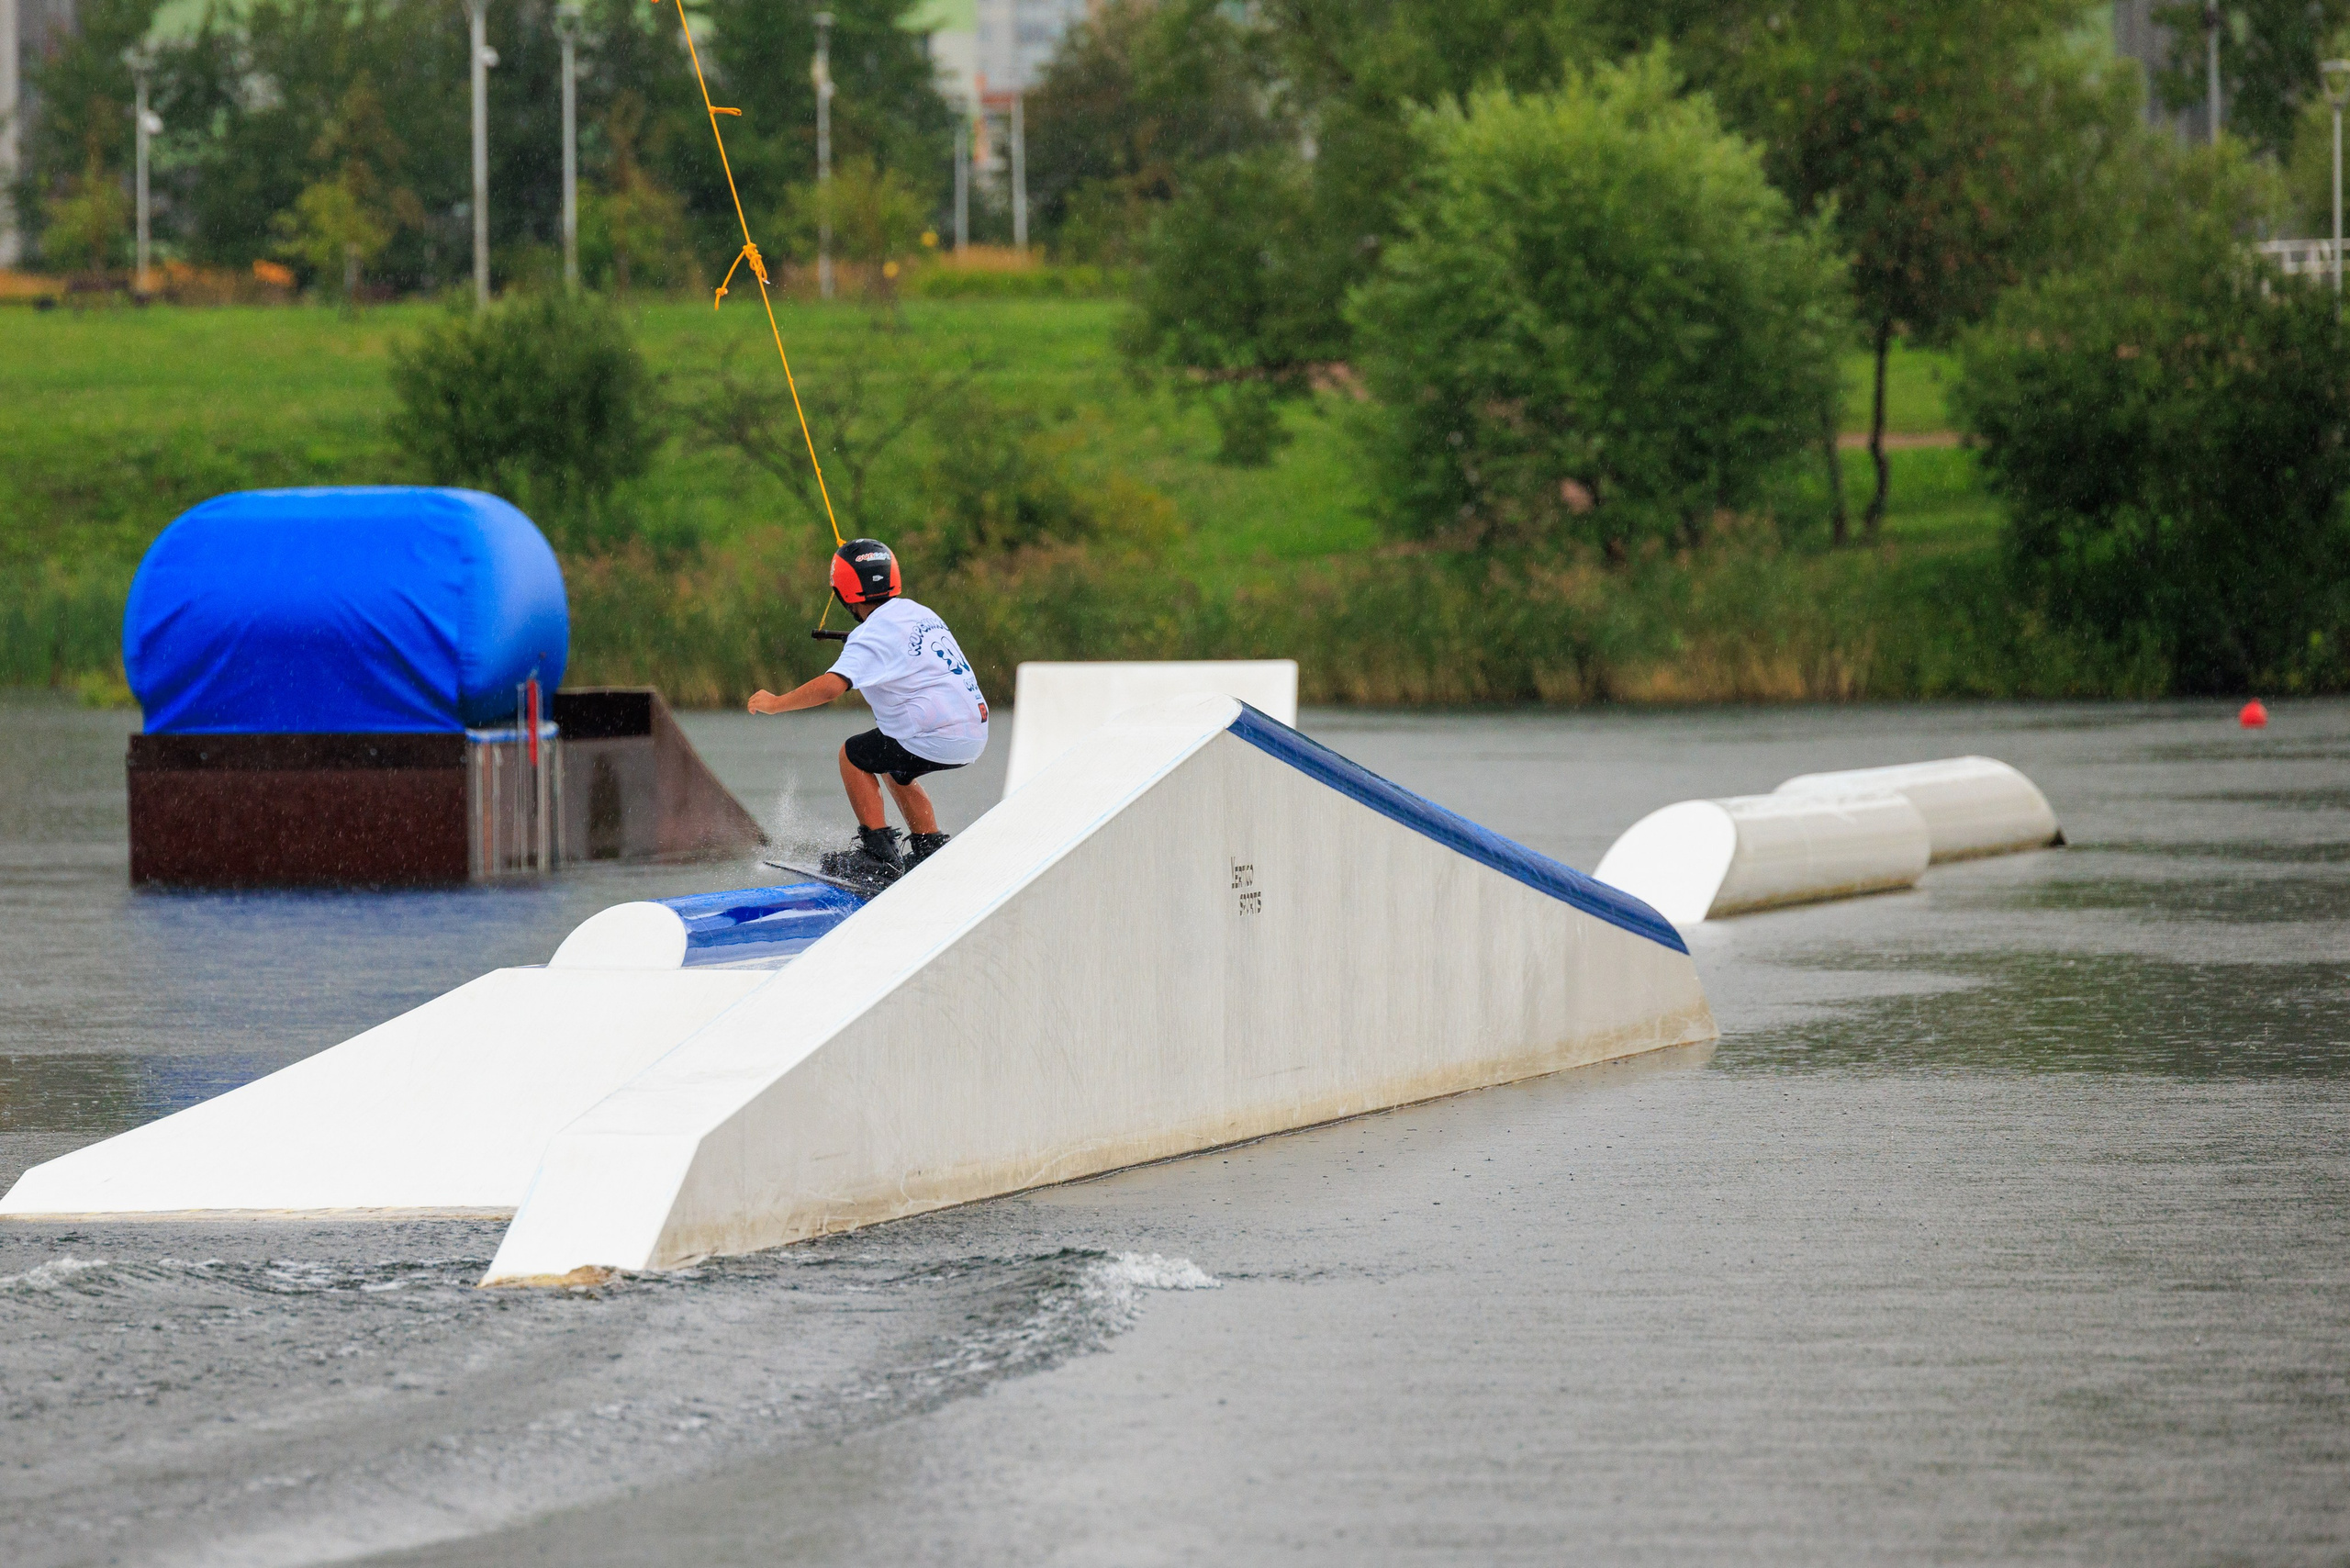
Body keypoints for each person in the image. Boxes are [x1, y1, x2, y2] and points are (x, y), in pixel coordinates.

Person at [745, 538, 989, 883]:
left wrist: (775, 703)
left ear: (843, 593)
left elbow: (831, 687)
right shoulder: (921, 613)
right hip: (974, 734)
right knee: (892, 766)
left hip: (936, 735)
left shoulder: (870, 635)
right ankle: (928, 849)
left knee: (853, 755)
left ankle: (878, 859)